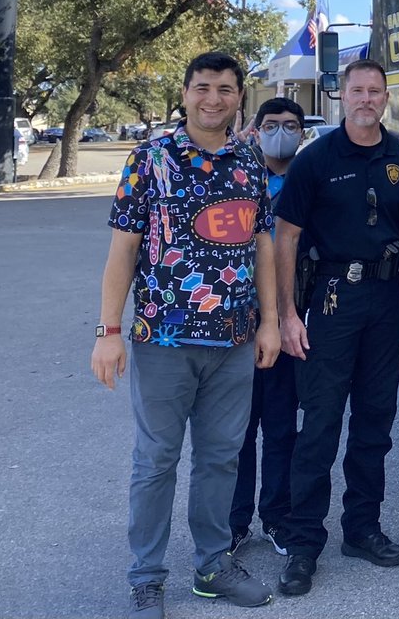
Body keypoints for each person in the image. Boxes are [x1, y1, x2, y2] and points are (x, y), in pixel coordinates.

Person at [91, 52, 280, 617]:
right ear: (185, 92)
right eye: (203, 87)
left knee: (222, 458)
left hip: (234, 343)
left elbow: (263, 245)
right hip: (163, 340)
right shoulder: (150, 159)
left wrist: (269, 320)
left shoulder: (249, 161)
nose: (213, 98)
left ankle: (212, 566)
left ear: (239, 97)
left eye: (225, 89)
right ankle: (146, 577)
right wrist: (109, 331)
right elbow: (122, 249)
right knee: (156, 461)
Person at [272, 58, 399, 597]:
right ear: (341, 96)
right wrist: (288, 313)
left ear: (387, 98)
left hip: (387, 299)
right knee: (318, 425)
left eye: (375, 91)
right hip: (332, 302)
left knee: (374, 424)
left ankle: (362, 529)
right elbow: (286, 238)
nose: (366, 99)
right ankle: (302, 544)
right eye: (357, 90)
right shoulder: (314, 160)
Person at [229, 96, 307, 556]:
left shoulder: (309, 176)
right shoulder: (237, 174)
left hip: (288, 319)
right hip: (238, 320)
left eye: (292, 124)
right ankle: (234, 522)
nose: (283, 131)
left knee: (281, 427)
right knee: (236, 429)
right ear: (255, 130)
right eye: (272, 124)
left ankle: (277, 516)